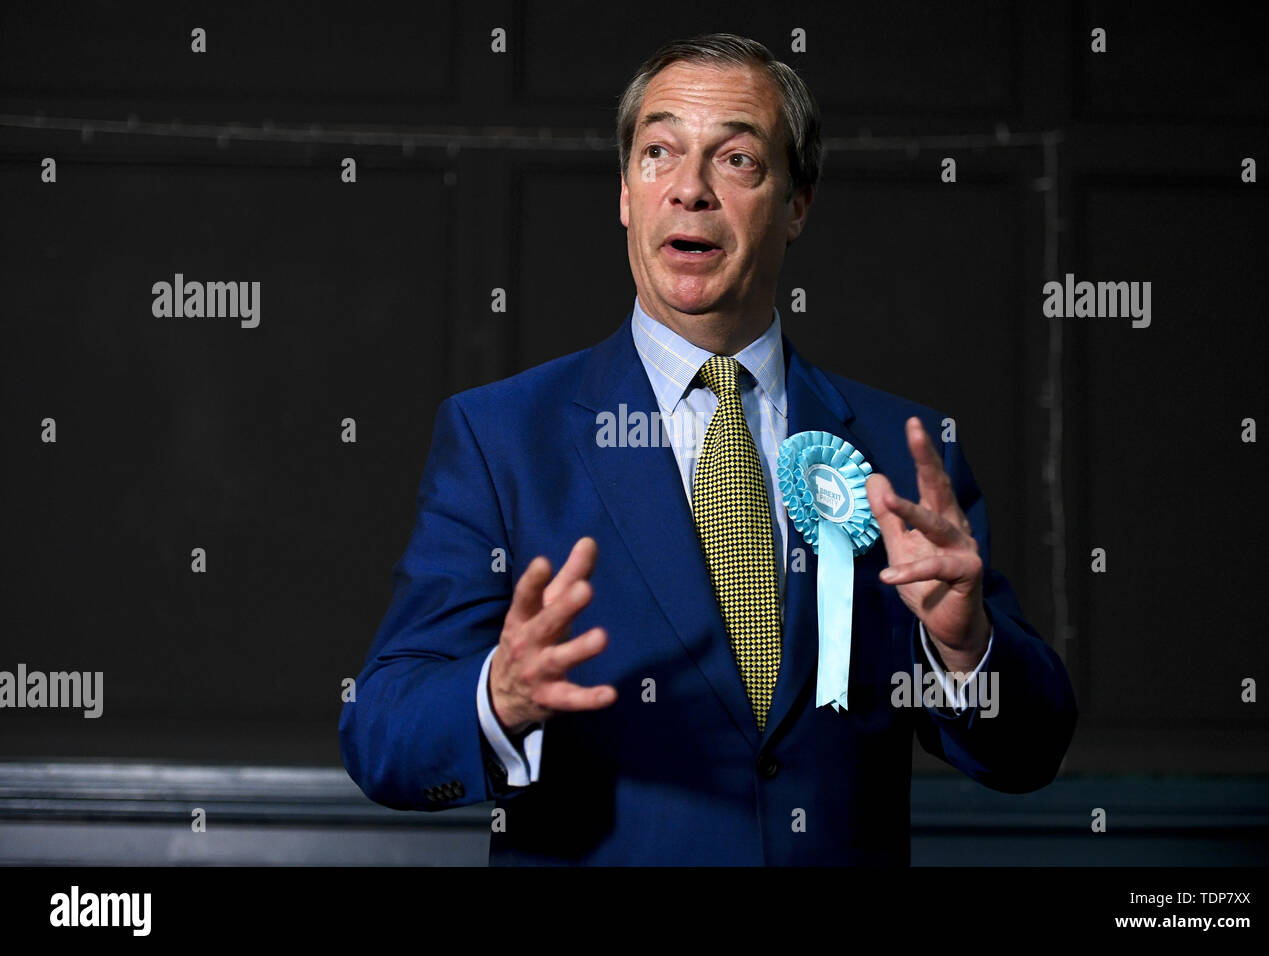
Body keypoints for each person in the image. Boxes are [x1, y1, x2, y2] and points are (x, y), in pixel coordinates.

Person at [339, 33, 1077, 865]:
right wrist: (498, 696)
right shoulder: (501, 438)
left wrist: (963, 644)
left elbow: (1030, 753)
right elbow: (381, 732)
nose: (688, 190)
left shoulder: (900, 453)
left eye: (736, 160)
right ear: (625, 194)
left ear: (797, 202)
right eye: (658, 153)